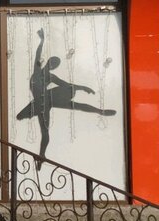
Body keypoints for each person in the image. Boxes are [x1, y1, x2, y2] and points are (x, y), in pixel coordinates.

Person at [16, 28, 115, 160]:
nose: (52, 66)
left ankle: (100, 111)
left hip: (48, 100)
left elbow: (67, 85)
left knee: (73, 106)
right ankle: (42, 155)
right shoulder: (38, 70)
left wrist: (82, 87)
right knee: (27, 121)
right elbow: (37, 54)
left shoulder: (51, 77)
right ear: (49, 62)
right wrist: (42, 41)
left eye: (55, 65)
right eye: (52, 63)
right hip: (41, 102)